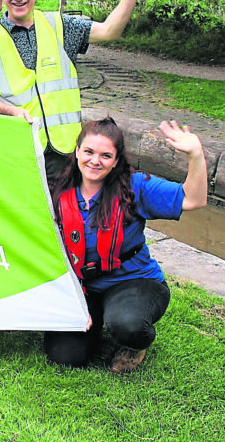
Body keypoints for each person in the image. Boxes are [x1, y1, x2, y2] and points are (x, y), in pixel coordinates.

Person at [44, 116, 208, 372]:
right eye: (88, 151)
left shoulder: (136, 187)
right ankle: (93, 323)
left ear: (116, 160)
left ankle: (134, 343)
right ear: (76, 152)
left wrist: (195, 155)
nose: (95, 161)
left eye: (105, 155)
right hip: (83, 286)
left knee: (127, 325)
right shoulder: (58, 190)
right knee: (65, 356)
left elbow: (193, 200)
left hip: (133, 280)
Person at [0, 0, 158, 177]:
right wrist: (11, 111)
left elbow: (110, 31)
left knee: (67, 212)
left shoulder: (61, 25)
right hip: (19, 153)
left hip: (68, 154)